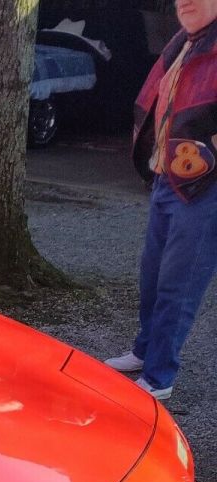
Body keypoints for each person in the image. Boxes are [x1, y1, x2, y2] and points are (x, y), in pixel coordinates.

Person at [105, 0, 217, 400]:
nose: (185, 1)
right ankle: (144, 351)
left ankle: (159, 377)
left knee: (178, 285)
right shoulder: (183, 42)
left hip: (205, 187)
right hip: (167, 177)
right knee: (152, 276)